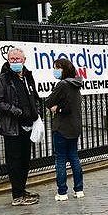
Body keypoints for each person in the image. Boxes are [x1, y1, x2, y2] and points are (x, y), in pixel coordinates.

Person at [0, 48, 41, 206]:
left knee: (25, 160)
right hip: (13, 126)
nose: (15, 62)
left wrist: (36, 112)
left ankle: (22, 189)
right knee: (14, 161)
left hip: (28, 125)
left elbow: (33, 96)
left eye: (18, 59)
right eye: (12, 59)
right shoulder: (2, 79)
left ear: (24, 60)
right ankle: (17, 195)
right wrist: (16, 111)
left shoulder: (27, 76)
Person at [45, 58, 85, 201]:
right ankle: (79, 189)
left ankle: (62, 192)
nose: (55, 70)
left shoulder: (62, 84)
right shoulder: (76, 83)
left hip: (62, 127)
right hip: (74, 126)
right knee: (74, 157)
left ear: (63, 69)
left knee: (60, 159)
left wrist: (57, 108)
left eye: (57, 68)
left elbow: (48, 101)